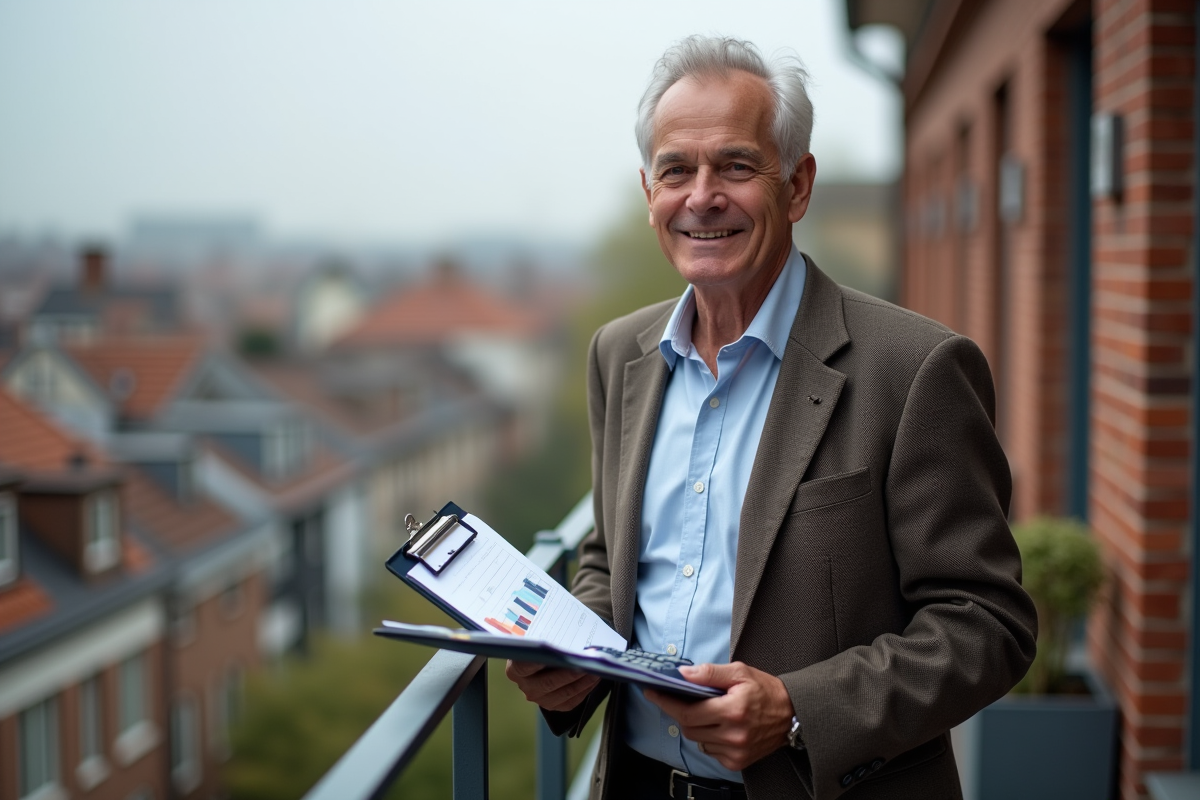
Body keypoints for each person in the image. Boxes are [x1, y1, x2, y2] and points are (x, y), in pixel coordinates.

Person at [506, 35, 1037, 800]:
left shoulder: (914, 368)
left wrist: (798, 711)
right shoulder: (618, 354)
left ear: (797, 185)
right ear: (649, 192)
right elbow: (609, 556)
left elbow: (986, 623)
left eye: (736, 166)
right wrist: (575, 653)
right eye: (676, 170)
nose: (702, 197)